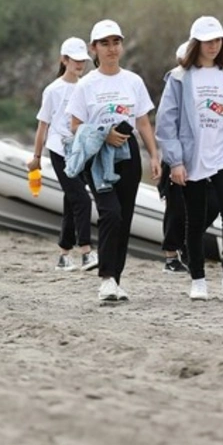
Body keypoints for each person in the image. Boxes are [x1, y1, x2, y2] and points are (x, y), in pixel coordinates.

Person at [156, 16, 223, 301]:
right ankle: (198, 280)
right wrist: (175, 161)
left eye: (218, 40)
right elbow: (166, 122)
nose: (214, 45)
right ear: (196, 43)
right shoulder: (179, 77)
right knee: (195, 218)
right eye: (208, 40)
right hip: (192, 156)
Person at [64, 19, 161, 304]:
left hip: (128, 153)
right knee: (111, 213)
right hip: (98, 155)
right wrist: (104, 136)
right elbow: (74, 126)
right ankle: (106, 279)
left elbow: (142, 122)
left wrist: (154, 155)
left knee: (125, 217)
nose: (111, 48)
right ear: (94, 48)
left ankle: (116, 279)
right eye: (104, 43)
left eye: (115, 42)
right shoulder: (86, 85)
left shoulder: (133, 81)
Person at [26, 38, 96, 269]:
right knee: (82, 200)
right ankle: (86, 251)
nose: (80, 65)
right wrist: (36, 157)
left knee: (72, 202)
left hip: (81, 151)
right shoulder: (53, 90)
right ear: (64, 60)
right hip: (58, 150)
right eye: (75, 60)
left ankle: (64, 256)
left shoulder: (86, 86)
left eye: (82, 61)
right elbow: (43, 125)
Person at [158, 41, 191, 274]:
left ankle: (188, 250)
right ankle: (171, 256)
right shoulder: (175, 82)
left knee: (202, 207)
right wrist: (172, 161)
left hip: (201, 157)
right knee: (176, 208)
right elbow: (165, 124)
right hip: (175, 156)